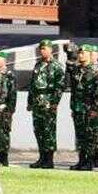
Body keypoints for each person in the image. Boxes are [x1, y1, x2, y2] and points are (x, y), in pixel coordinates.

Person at [28, 40, 65, 169]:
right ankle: (42, 157)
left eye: (45, 48)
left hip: (49, 101)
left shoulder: (56, 66)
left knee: (49, 131)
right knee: (38, 130)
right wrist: (30, 101)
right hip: (38, 102)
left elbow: (60, 86)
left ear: (50, 49)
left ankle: (49, 159)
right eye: (41, 49)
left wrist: (55, 103)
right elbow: (32, 84)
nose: (42, 51)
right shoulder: (38, 65)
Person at [67, 44, 91, 171]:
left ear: (89, 55)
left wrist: (95, 109)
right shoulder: (76, 70)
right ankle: (81, 160)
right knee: (80, 136)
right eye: (79, 53)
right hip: (78, 107)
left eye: (83, 53)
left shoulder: (95, 71)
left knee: (89, 135)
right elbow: (74, 90)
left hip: (89, 109)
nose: (80, 55)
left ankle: (89, 161)